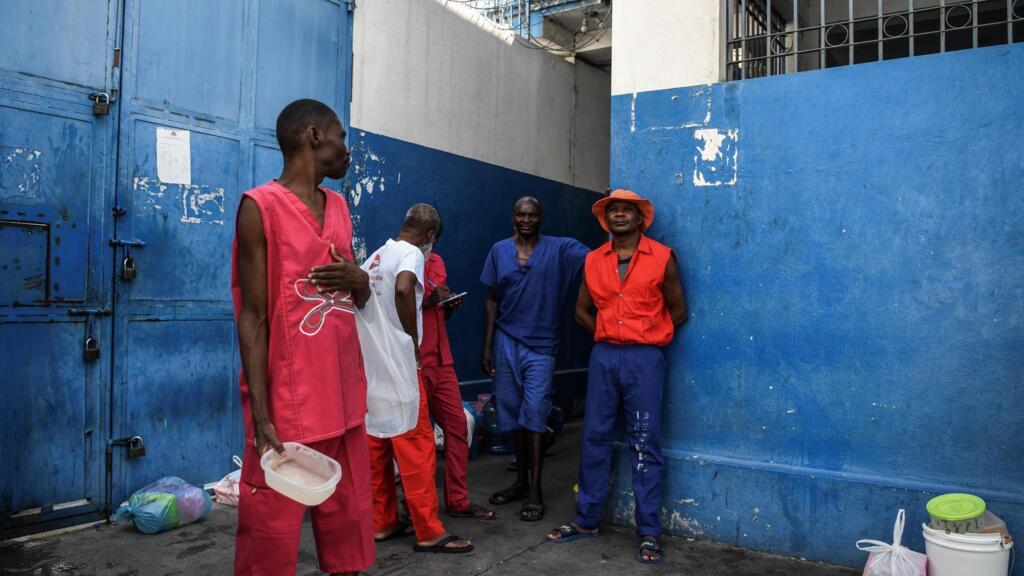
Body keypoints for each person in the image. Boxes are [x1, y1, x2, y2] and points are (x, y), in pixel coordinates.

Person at [232, 99, 373, 576]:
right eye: (341, 138)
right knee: (269, 533)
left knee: (349, 525)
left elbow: (356, 292)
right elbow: (252, 317)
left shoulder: (338, 206)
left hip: (344, 397)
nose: (346, 151)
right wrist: (261, 412)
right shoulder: (259, 208)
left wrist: (361, 281)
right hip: (289, 406)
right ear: (313, 136)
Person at [546, 189, 687, 565]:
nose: (620, 215)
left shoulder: (662, 257)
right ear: (605, 221)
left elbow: (679, 309)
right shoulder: (593, 261)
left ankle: (649, 532)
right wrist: (609, 332)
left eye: (628, 210)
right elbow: (580, 311)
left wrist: (646, 336)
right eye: (614, 210)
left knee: (645, 441)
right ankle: (586, 519)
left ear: (641, 219)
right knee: (594, 435)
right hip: (605, 357)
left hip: (645, 359)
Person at [359, 204, 474, 553]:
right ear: (430, 237)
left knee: (378, 448)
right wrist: (412, 343)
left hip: (373, 370)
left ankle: (383, 523)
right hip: (400, 368)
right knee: (417, 449)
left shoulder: (375, 257)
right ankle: (428, 531)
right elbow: (405, 288)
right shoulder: (412, 253)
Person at [480, 196, 589, 522]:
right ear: (513, 217)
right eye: (520, 214)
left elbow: (600, 256)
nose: (526, 219)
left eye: (532, 215)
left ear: (541, 218)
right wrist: (487, 346)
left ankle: (536, 490)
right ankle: (520, 480)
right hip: (506, 342)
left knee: (535, 415)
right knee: (512, 415)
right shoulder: (499, 251)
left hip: (541, 346)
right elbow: (492, 300)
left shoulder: (560, 249)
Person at [421, 220, 497, 521]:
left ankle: (458, 500)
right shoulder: (397, 259)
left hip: (442, 359)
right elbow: (401, 301)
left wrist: (446, 307)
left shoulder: (436, 261)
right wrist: (429, 300)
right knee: (418, 440)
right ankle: (419, 509)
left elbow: (432, 305)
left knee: (457, 426)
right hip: (414, 361)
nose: (432, 242)